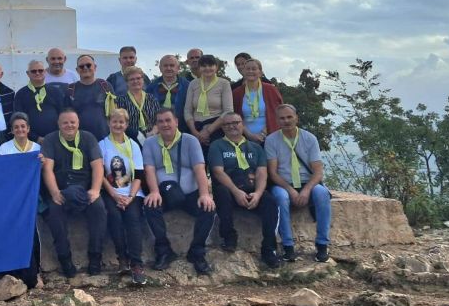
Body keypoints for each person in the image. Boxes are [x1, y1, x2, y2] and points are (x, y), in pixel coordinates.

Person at [142, 108, 216, 275]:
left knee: (209, 208)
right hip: (164, 194)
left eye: (168, 120)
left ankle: (197, 252)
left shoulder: (190, 140)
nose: (164, 124)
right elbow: (150, 170)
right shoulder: (150, 143)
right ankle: (164, 250)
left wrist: (204, 194)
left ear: (176, 121)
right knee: (149, 207)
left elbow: (199, 168)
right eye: (160, 121)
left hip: (190, 193)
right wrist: (154, 191)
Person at [40, 108, 107, 278]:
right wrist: (54, 193)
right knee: (54, 214)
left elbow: (98, 166)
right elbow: (47, 168)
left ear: (78, 123)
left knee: (99, 210)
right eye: (65, 122)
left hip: (85, 190)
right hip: (61, 190)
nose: (69, 125)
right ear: (58, 124)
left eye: (72, 122)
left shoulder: (88, 138)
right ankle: (65, 260)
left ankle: (95, 258)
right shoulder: (50, 139)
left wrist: (95, 190)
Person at [208, 113, 281, 268]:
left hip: (252, 189)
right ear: (222, 128)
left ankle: (269, 250)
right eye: (227, 124)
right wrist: (236, 191)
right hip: (229, 190)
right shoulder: (217, 145)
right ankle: (229, 237)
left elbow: (262, 172)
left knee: (271, 202)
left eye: (236, 122)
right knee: (221, 193)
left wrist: (259, 193)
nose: (232, 126)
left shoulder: (255, 147)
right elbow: (218, 172)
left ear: (243, 125)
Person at [265, 104, 333, 263]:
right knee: (280, 198)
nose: (286, 121)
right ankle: (288, 246)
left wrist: (306, 190)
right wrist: (291, 190)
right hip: (284, 183)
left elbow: (318, 171)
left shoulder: (309, 138)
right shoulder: (271, 140)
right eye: (282, 118)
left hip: (306, 182)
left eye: (289, 117)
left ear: (296, 118)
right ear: (277, 121)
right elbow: (273, 172)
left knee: (322, 194)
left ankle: (322, 244)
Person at [99, 109, 146, 285]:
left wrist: (131, 197)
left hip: (132, 193)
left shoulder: (134, 145)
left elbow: (139, 175)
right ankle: (122, 259)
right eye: (114, 121)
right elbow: (101, 174)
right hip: (111, 192)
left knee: (133, 219)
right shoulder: (102, 145)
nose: (118, 125)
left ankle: (137, 265)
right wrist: (115, 196)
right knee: (114, 217)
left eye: (121, 122)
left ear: (126, 124)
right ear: (109, 123)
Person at [0, 112, 44, 290]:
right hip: (12, 198)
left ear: (28, 129)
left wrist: (42, 163)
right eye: (16, 127)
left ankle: (36, 271)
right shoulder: (4, 149)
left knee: (33, 232)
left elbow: (43, 172)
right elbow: (1, 173)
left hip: (33, 197)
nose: (20, 129)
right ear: (12, 130)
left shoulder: (37, 150)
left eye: (23, 126)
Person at [183, 54, 234, 157]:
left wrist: (208, 131)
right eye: (204, 66)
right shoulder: (193, 84)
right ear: (200, 67)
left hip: (216, 128)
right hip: (196, 128)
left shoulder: (224, 83)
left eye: (210, 65)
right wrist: (195, 133)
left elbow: (228, 110)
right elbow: (188, 110)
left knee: (216, 162)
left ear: (216, 67)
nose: (207, 68)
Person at [232, 58, 284, 144]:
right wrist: (249, 135)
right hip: (245, 139)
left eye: (254, 69)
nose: (250, 71)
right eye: (247, 69)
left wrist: (262, 134)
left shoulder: (271, 90)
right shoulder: (237, 93)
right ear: (243, 72)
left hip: (270, 136)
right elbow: (236, 116)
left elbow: (279, 113)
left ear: (260, 72)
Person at [13, 59, 65, 143]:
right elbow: (19, 119)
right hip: (31, 142)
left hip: (56, 139)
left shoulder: (55, 91)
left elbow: (63, 114)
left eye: (40, 70)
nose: (37, 73)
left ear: (45, 72)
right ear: (27, 73)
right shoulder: (21, 94)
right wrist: (36, 138)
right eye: (33, 71)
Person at [67, 54, 117, 140]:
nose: (85, 68)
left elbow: (115, 111)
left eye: (89, 65)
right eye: (81, 66)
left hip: (105, 138)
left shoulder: (105, 86)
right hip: (80, 140)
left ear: (95, 67)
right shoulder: (71, 90)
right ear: (77, 70)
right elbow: (66, 116)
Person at [116, 66, 159, 142]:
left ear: (143, 80)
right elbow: (120, 123)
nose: (136, 81)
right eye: (132, 79)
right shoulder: (121, 100)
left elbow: (158, 119)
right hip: (131, 140)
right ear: (126, 82)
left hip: (152, 138)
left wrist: (152, 133)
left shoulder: (151, 98)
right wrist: (139, 136)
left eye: (138, 78)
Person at [147, 54, 186, 119]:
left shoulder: (186, 86)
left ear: (178, 68)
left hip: (182, 126)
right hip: (159, 125)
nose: (168, 68)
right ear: (160, 68)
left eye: (172, 65)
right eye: (165, 66)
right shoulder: (152, 87)